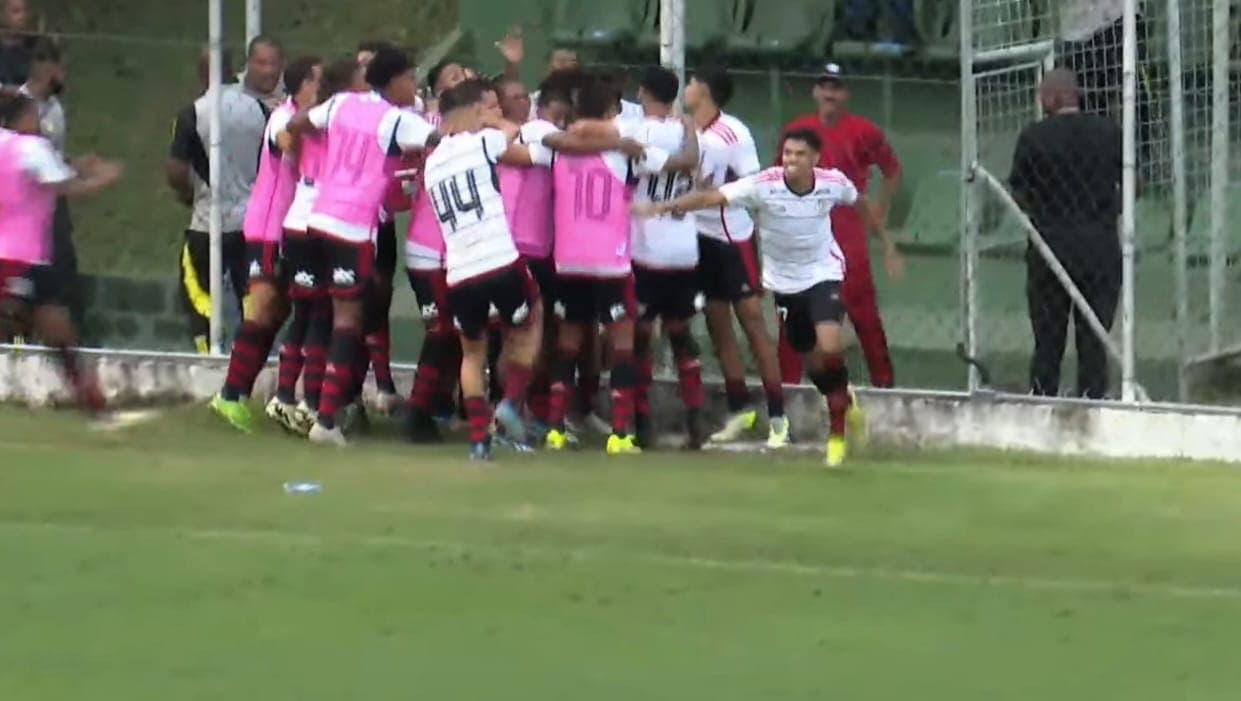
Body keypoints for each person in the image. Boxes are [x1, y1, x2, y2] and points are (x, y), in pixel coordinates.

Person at [635, 129, 876, 467]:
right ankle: (844, 400)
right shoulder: (764, 184)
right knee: (815, 366)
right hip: (784, 284)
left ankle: (837, 436)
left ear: (815, 159)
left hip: (824, 274)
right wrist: (662, 207)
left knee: (830, 347)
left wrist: (881, 239)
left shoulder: (832, 183)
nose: (791, 160)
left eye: (800, 154)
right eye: (788, 153)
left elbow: (858, 199)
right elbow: (710, 198)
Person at [289, 46, 435, 446]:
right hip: (352, 228)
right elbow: (442, 136)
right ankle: (326, 420)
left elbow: (301, 121)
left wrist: (303, 154)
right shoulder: (395, 119)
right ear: (393, 81)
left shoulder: (340, 103)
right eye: (411, 77)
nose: (415, 85)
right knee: (347, 321)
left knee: (330, 315)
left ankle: (315, 404)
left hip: (317, 220)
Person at [542, 74, 694, 456]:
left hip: (568, 259)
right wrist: (689, 129)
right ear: (612, 111)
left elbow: (543, 139)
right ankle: (621, 433)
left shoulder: (560, 148)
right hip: (610, 261)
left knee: (568, 344)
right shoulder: (627, 149)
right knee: (623, 345)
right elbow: (685, 162)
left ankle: (556, 429)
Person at [423, 79, 545, 460]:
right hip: (499, 258)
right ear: (475, 111)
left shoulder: (432, 163)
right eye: (490, 108)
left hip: (459, 271)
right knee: (531, 319)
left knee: (472, 353)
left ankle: (479, 439)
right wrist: (498, 123)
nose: (496, 115)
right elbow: (516, 138)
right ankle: (510, 402)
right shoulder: (481, 142)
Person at [210, 55, 321, 432]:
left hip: (290, 229)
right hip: (267, 228)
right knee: (262, 309)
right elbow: (289, 143)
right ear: (302, 86)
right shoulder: (282, 116)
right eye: (318, 82)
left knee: (276, 314)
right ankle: (229, 395)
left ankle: (241, 393)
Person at [775, 63, 904, 389]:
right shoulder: (798, 129)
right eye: (824, 86)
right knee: (794, 313)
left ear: (845, 93)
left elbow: (892, 170)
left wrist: (880, 210)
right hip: (805, 236)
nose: (829, 93)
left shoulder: (863, 131)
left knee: (864, 317)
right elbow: (779, 177)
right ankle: (788, 390)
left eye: (836, 87)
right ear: (816, 91)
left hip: (848, 238)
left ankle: (884, 388)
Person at [685, 68, 788, 448]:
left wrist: (720, 192)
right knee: (717, 324)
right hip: (698, 238)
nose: (688, 86)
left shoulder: (733, 133)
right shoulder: (685, 130)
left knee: (752, 324)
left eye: (693, 81)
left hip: (732, 239)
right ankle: (740, 408)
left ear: (706, 90)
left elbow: (755, 185)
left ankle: (778, 416)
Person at [0, 93, 122, 411]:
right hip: (21, 258)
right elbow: (64, 185)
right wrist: (104, 178)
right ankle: (91, 400)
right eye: (34, 116)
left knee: (58, 332)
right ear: (20, 119)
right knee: (42, 329)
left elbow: (41, 171)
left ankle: (91, 402)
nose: (39, 123)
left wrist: (74, 163)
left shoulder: (12, 145)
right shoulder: (30, 146)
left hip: (27, 260)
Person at [1009, 68, 1122, 400]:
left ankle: (1043, 396)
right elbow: (1134, 183)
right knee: (1094, 335)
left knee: (1048, 334)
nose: (1041, 100)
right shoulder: (1109, 132)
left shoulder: (1034, 137)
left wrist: (1044, 207)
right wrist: (1107, 208)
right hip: (1099, 243)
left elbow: (1019, 192)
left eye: (1044, 94)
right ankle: (1093, 398)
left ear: (1055, 97)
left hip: (1050, 242)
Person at [273, 57, 365, 435]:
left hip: (306, 217)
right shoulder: (325, 115)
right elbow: (284, 142)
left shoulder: (321, 116)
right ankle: (308, 401)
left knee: (312, 310)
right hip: (317, 218)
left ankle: (289, 397)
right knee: (319, 311)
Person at [167, 47, 270, 353]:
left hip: (207, 219)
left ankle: (207, 352)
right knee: (250, 293)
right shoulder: (260, 111)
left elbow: (175, 169)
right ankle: (253, 358)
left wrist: (187, 195)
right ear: (231, 69)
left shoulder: (192, 113)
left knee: (196, 290)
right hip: (250, 221)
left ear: (202, 74)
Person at [628, 66, 707, 449]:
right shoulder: (687, 131)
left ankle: (641, 419)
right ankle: (695, 416)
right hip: (684, 248)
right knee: (680, 332)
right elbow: (692, 163)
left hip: (647, 247)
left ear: (643, 91)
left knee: (641, 335)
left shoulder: (638, 132)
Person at [17, 39, 81, 337]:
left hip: (54, 200)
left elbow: (54, 153)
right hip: (23, 204)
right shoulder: (18, 106)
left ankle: (60, 332)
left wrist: (74, 165)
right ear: (45, 69)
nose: (64, 74)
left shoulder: (55, 108)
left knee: (63, 263)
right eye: (60, 68)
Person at [239, 34, 286, 109]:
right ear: (248, 62)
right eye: (261, 63)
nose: (268, 71)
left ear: (282, 64)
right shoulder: (230, 98)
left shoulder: (296, 92)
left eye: (274, 63)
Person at [0, 0, 35, 87]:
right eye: (16, 11)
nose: (22, 16)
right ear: (2, 15)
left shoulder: (36, 46)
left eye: (26, 11)